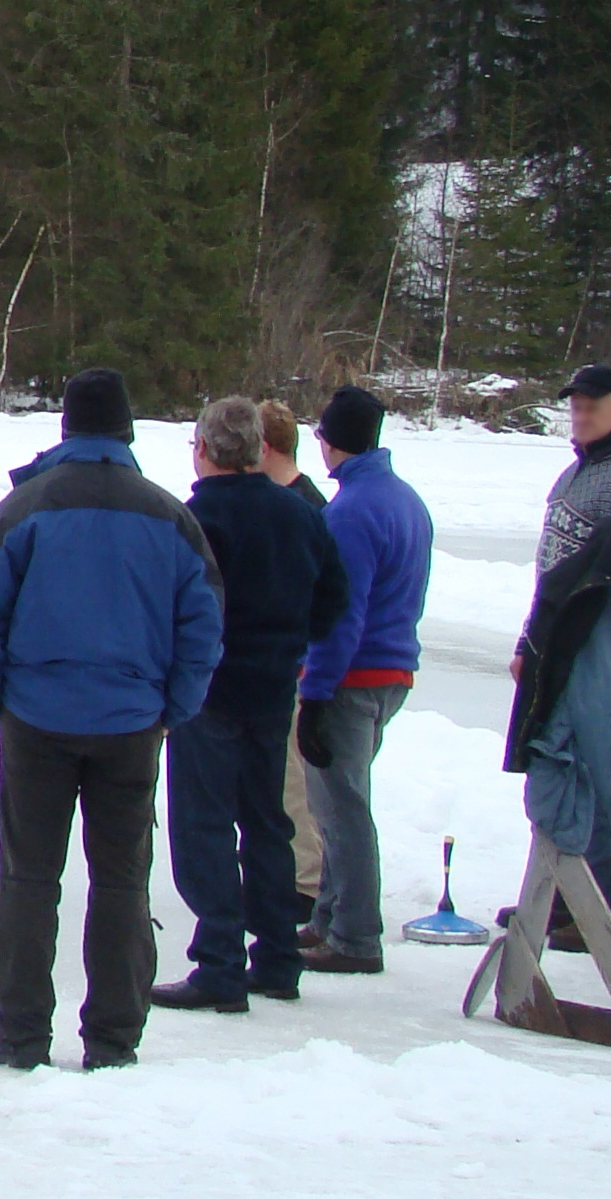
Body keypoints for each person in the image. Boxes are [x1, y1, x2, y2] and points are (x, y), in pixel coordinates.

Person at [0, 369, 222, 1072]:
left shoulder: (27, 508)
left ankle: (21, 1035)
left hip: (36, 718)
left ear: (65, 428)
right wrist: (174, 706)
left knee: (26, 877)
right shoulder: (167, 515)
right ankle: (111, 1039)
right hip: (129, 724)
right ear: (127, 431)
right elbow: (203, 622)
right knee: (120, 882)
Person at [152, 398, 348, 1013]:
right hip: (271, 689)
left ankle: (220, 963)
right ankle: (278, 957)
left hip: (209, 691)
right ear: (261, 448)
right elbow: (333, 600)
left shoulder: (193, 519)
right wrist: (292, 643)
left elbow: (171, 609)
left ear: (205, 450)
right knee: (269, 823)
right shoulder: (300, 514)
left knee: (204, 826)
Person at [505, 364, 611, 945]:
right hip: (557, 636)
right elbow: (551, 568)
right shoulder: (577, 472)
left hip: (598, 644)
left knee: (589, 765)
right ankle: (555, 892)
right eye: (575, 404)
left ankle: (592, 902)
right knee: (553, 763)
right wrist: (532, 637)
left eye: (592, 404)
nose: (580, 414)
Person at [296, 386, 434, 974]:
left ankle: (354, 935)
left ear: (331, 442)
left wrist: (316, 690)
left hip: (354, 676)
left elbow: (339, 613)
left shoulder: (351, 512)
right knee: (338, 801)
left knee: (341, 806)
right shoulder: (404, 499)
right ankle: (329, 916)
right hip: (389, 669)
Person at [259, 398, 330, 923]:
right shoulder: (282, 501)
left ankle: (306, 883)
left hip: (300, 669)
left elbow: (328, 593)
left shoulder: (305, 506)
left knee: (293, 778)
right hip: (286, 665)